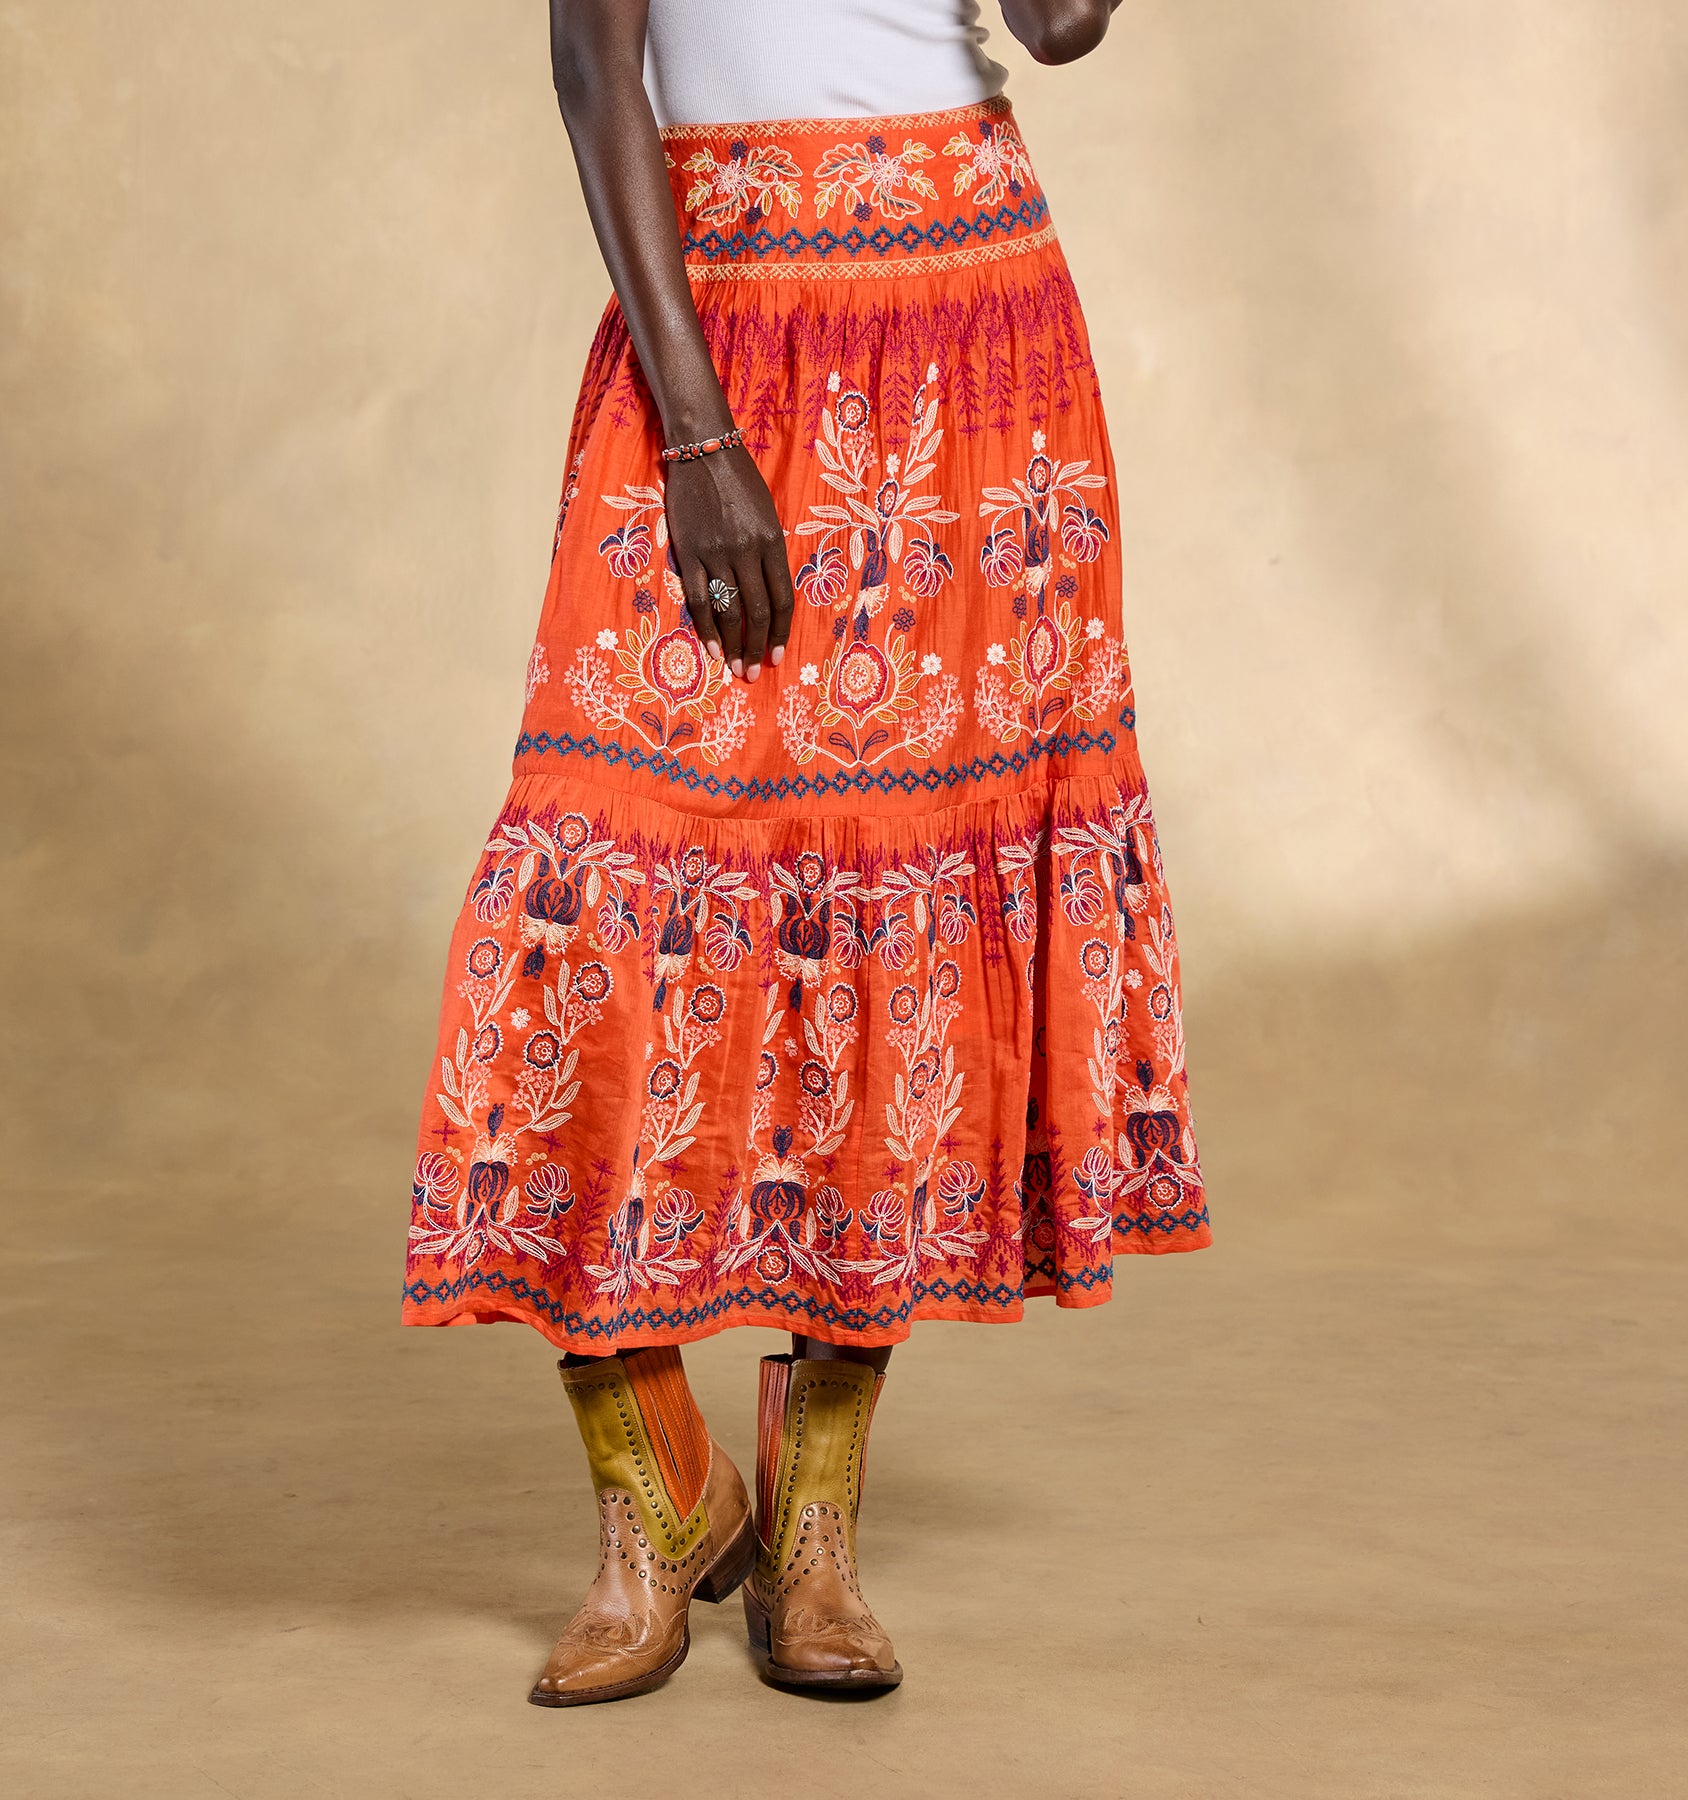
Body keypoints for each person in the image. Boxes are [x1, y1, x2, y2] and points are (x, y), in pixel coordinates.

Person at [399, 0, 1210, 1706]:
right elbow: (591, 64)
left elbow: (1059, 26)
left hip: (972, 318)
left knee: (900, 885)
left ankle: (815, 1522)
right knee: (605, 881)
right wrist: (697, 437)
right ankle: (655, 1494)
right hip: (716, 316)